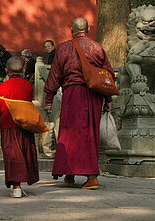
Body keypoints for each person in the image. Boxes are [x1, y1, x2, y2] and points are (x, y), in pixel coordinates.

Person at [43, 17, 110, 190]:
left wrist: (49, 98)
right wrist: (108, 99)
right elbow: (108, 74)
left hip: (72, 93)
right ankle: (90, 176)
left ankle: (70, 174)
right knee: (89, 133)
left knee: (69, 134)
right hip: (94, 95)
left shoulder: (64, 48)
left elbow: (55, 74)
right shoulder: (97, 47)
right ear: (87, 30)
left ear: (71, 29)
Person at [0, 55, 39, 198]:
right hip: (25, 125)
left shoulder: (4, 86)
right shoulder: (28, 86)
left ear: (7, 70)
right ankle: (21, 183)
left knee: (13, 155)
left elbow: (1, 108)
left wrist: (1, 123)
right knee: (24, 153)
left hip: (9, 125)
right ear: (23, 70)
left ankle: (16, 187)